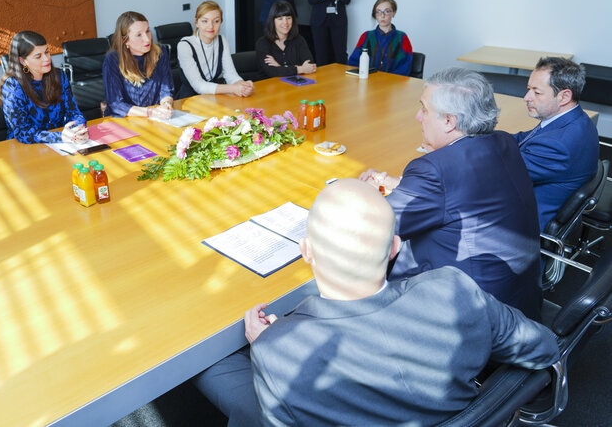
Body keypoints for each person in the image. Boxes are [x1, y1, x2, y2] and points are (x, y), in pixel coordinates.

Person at [194, 179, 559, 427]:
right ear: (395, 249)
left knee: (211, 366)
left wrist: (268, 346)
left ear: (306, 252)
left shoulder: (281, 351)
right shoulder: (454, 289)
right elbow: (543, 347)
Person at [360, 67, 542, 319]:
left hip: (469, 313)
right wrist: (399, 183)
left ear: (449, 121)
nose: (417, 116)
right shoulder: (504, 142)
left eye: (424, 109)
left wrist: (367, 194)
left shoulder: (435, 169)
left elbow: (375, 228)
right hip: (518, 300)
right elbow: (462, 191)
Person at [514, 57, 599, 230]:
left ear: (564, 96)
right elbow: (524, 138)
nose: (526, 97)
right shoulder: (573, 120)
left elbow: (500, 174)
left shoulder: (557, 144)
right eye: (528, 89)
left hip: (520, 225)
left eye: (537, 92)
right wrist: (481, 136)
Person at [0, 31, 89, 144]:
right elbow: (22, 132)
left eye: (47, 52)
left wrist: (78, 130)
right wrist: (60, 137)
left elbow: (74, 112)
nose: (46, 59)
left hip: (62, 144)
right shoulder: (13, 86)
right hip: (25, 148)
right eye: (38, 56)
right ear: (23, 61)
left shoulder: (60, 76)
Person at [103, 11, 174, 118]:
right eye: (138, 35)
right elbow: (116, 104)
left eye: (147, 31)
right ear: (125, 40)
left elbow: (166, 89)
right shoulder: (113, 60)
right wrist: (150, 112)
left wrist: (166, 104)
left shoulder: (160, 53)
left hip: (156, 118)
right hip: (125, 120)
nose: (147, 38)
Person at [177, 1, 255, 99]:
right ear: (196, 22)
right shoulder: (184, 45)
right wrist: (234, 88)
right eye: (205, 21)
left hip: (214, 97)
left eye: (216, 21)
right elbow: (199, 86)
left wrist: (243, 86)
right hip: (190, 100)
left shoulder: (222, 40)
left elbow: (231, 75)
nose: (211, 26)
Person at [347, 0, 413, 76]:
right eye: (378, 12)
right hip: (368, 83)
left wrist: (385, 80)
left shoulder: (402, 38)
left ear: (394, 13)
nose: (382, 16)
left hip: (393, 84)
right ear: (375, 14)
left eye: (387, 11)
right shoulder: (366, 36)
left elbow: (404, 68)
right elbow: (353, 63)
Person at [255, 1, 316, 78]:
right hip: (270, 87)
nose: (285, 23)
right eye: (280, 19)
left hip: (294, 85)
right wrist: (300, 69)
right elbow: (272, 72)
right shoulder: (262, 43)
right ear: (273, 21)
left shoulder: (299, 40)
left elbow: (310, 66)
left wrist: (279, 66)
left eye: (288, 18)